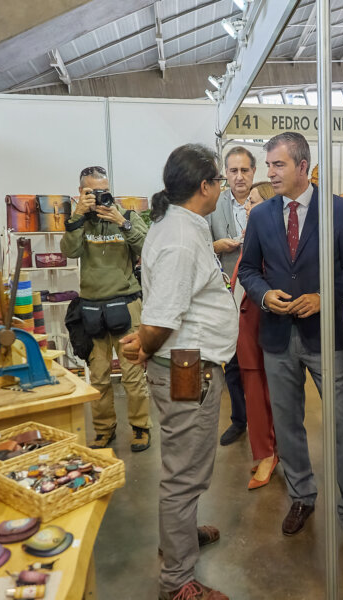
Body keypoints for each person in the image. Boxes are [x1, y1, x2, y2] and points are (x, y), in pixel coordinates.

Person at [237, 132, 343, 558]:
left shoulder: (339, 210)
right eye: (268, 165)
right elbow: (248, 271)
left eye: (277, 165)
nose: (269, 173)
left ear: (302, 166)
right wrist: (263, 295)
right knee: (288, 423)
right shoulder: (260, 218)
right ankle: (302, 496)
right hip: (277, 339)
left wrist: (324, 298)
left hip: (326, 338)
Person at [120, 144, 238, 600]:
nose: (223, 187)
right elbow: (164, 316)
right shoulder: (181, 238)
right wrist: (145, 344)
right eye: (220, 180)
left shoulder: (180, 225)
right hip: (189, 370)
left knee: (184, 469)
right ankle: (177, 581)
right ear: (205, 187)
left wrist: (149, 342)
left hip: (188, 363)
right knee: (184, 476)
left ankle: (180, 538)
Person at [60, 166, 153, 452]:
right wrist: (77, 215)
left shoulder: (126, 215)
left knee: (132, 375)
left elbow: (148, 247)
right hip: (91, 309)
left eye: (104, 190)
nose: (101, 196)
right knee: (98, 377)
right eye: (93, 192)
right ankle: (103, 429)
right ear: (81, 192)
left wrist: (122, 221)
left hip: (126, 305)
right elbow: (69, 251)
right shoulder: (78, 222)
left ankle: (140, 427)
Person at [230, 180, 278, 489]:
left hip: (258, 326)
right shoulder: (254, 239)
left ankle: (268, 454)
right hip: (246, 325)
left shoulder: (268, 242)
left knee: (261, 394)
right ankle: (265, 453)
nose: (247, 207)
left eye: (253, 202)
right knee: (255, 392)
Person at [207, 146, 256, 446]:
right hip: (228, 294)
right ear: (225, 173)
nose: (239, 176)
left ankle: (271, 422)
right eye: (233, 170)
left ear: (254, 172)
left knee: (265, 362)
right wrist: (216, 246)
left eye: (245, 170)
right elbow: (199, 245)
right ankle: (240, 419)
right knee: (234, 363)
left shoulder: (268, 202)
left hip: (263, 294)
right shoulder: (213, 205)